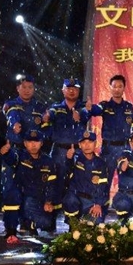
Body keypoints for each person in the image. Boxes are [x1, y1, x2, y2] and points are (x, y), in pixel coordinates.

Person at [42, 77, 93, 229]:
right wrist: (46, 119)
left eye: (75, 88)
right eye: (68, 88)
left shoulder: (83, 107)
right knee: (55, 184)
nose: (71, 91)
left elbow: (92, 112)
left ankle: (73, 222)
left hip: (78, 151)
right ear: (63, 90)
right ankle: (50, 221)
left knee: (77, 184)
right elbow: (47, 118)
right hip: (59, 151)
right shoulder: (56, 108)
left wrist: (83, 114)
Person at [1, 75, 47, 234]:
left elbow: (46, 128)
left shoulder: (40, 107)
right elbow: (11, 116)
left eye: (30, 87)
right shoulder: (11, 105)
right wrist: (15, 125)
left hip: (32, 153)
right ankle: (10, 226)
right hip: (14, 150)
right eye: (24, 87)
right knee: (10, 187)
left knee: (32, 188)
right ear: (17, 88)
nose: (27, 90)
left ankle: (29, 222)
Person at [0, 130, 55, 239]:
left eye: (36, 141)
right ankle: (11, 230)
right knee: (12, 196)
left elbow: (51, 184)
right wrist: (6, 153)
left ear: (41, 143)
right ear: (25, 143)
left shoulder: (48, 161)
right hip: (20, 195)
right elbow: (11, 159)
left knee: (47, 223)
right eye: (30, 142)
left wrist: (49, 201)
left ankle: (29, 222)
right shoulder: (20, 155)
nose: (33, 145)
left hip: (37, 198)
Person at [89, 74, 133, 177]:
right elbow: (96, 110)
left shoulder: (128, 106)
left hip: (125, 148)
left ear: (124, 88)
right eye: (114, 86)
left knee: (126, 179)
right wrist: (90, 107)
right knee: (104, 179)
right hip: (108, 149)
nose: (117, 89)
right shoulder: (105, 105)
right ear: (110, 88)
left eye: (120, 86)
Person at [62, 131, 109, 229]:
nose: (87, 145)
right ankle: (72, 225)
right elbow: (67, 170)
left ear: (95, 144)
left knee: (96, 225)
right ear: (79, 145)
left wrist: (98, 204)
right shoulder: (74, 158)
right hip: (76, 199)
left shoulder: (101, 163)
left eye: (90, 142)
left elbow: (103, 187)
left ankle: (85, 222)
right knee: (70, 200)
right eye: (83, 142)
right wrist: (68, 159)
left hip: (91, 201)